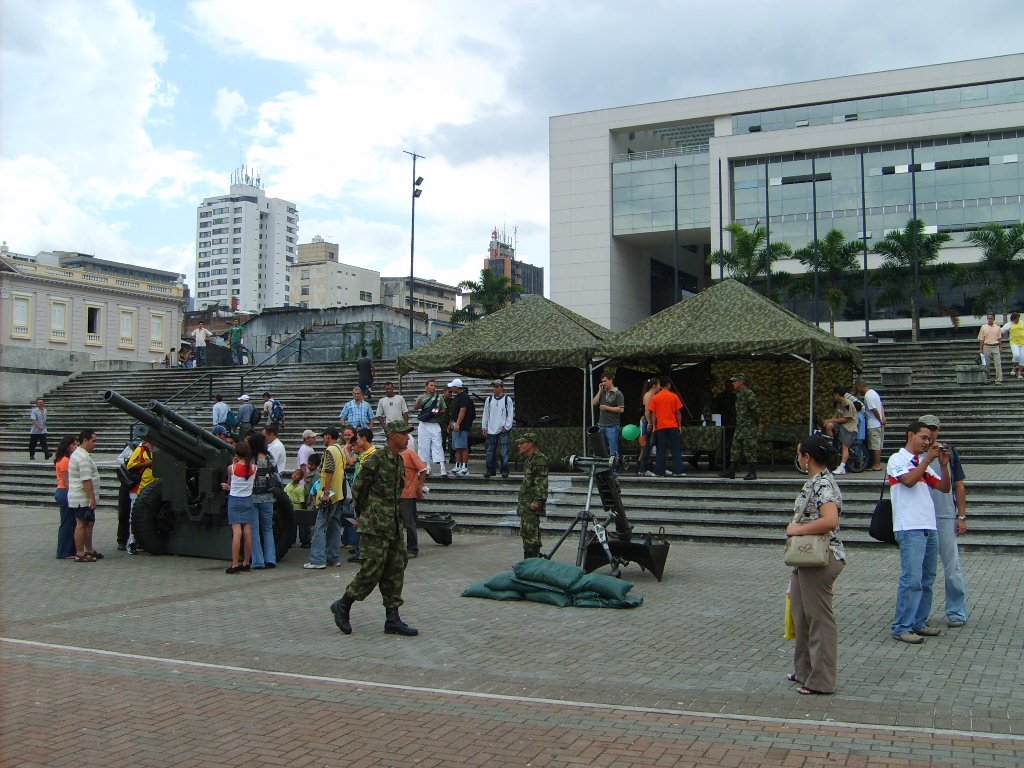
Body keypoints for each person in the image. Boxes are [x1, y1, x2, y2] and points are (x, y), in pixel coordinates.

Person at [329, 420, 419, 637]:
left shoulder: (398, 460)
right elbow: (359, 488)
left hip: (393, 525)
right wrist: (364, 515)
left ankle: (393, 619)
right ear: (392, 436)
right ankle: (343, 604)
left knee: (395, 569)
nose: (407, 438)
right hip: (375, 526)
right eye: (403, 434)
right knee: (371, 570)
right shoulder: (377, 459)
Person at [787, 435, 846, 695]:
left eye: (800, 453)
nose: (799, 458)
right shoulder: (816, 482)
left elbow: (830, 520)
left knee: (819, 619)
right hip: (807, 558)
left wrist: (798, 530)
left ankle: (821, 680)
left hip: (820, 557)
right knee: (801, 614)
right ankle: (804, 670)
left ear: (807, 458)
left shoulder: (822, 484)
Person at [886, 420, 951, 643]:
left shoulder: (923, 463)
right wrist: (927, 460)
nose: (927, 442)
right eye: (924, 437)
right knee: (911, 579)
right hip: (909, 527)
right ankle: (901, 627)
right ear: (910, 435)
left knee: (927, 579)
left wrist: (943, 464)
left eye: (930, 439)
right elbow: (909, 481)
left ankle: (918, 623)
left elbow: (944, 487)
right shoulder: (898, 459)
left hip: (928, 526)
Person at [917, 414, 969, 628]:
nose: (931, 434)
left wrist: (962, 516)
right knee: (921, 570)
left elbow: (959, 485)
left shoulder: (949, 452)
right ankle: (920, 614)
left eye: (934, 430)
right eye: (927, 430)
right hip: (921, 517)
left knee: (952, 567)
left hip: (945, 516)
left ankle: (956, 611)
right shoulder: (914, 454)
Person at [304, 427, 347, 570]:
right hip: (339, 493)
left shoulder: (330, 450)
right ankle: (333, 558)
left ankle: (317, 559)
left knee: (320, 526)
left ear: (328, 436)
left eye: (324, 436)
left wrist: (326, 493)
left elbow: (328, 471)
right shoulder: (340, 449)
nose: (323, 439)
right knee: (334, 526)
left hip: (330, 494)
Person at [221, 441, 255, 574]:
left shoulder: (232, 468)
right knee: (247, 531)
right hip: (248, 499)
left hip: (235, 500)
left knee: (237, 532)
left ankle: (234, 564)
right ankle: (246, 562)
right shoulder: (254, 468)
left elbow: (230, 483)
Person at [68, 429, 102, 562]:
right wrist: (92, 498)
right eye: (93, 441)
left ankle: (89, 550)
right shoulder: (82, 457)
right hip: (82, 498)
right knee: (82, 523)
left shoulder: (80, 454)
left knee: (88, 523)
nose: (95, 444)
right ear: (85, 441)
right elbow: (86, 480)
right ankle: (80, 553)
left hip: (82, 497)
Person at [719, 374, 760, 480]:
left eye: (735, 381)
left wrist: (757, 423)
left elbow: (755, 411)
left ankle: (752, 472)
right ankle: (731, 471)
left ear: (741, 381)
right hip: (740, 426)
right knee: (735, 449)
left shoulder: (749, 394)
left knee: (749, 449)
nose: (733, 383)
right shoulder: (738, 395)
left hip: (748, 427)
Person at [247, 433, 278, 570]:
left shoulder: (249, 460)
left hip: (252, 496)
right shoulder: (269, 458)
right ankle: (270, 559)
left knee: (254, 529)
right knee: (268, 528)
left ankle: (258, 561)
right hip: (268, 497)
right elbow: (277, 476)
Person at [515, 433, 548, 559]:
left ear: (530, 444)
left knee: (531, 532)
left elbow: (542, 481)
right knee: (526, 532)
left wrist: (538, 500)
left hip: (532, 503)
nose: (519, 446)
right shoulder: (529, 459)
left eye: (522, 443)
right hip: (526, 502)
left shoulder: (539, 459)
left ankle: (532, 559)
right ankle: (529, 558)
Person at [647, 376, 685, 478]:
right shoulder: (674, 396)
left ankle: (660, 471)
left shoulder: (655, 397)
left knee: (661, 450)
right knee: (675, 449)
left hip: (661, 427)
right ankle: (677, 471)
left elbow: (653, 414)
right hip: (673, 425)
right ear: (668, 384)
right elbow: (678, 412)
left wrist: (654, 426)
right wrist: (679, 426)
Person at [125, 437, 156, 555]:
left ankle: (144, 541)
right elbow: (131, 466)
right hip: (142, 488)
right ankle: (132, 541)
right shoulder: (141, 449)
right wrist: (148, 464)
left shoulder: (160, 449)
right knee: (135, 516)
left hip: (156, 488)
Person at [413, 379, 448, 478]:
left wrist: (438, 412)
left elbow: (444, 409)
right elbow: (415, 408)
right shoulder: (422, 397)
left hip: (434, 423)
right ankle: (426, 468)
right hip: (424, 424)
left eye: (434, 385)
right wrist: (419, 401)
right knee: (424, 446)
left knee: (438, 445)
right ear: (426, 387)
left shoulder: (439, 397)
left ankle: (442, 469)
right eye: (431, 385)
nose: (433, 387)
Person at [481, 379, 514, 479]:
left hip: (502, 429)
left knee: (504, 451)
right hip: (491, 429)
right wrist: (484, 426)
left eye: (497, 386)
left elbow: (510, 414)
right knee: (490, 451)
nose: (495, 388)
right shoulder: (489, 400)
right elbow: (485, 414)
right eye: (494, 386)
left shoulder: (507, 399)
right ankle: (490, 470)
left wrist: (507, 426)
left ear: (502, 387)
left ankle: (504, 470)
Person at [822, 387, 857, 474]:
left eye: (833, 395)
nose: (833, 397)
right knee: (829, 426)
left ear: (837, 394)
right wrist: (828, 421)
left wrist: (830, 420)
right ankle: (831, 444)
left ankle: (842, 467)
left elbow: (846, 419)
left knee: (845, 447)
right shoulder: (838, 404)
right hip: (841, 426)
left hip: (849, 427)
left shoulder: (847, 404)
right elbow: (835, 416)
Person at [53, 435, 78, 559]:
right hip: (64, 491)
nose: (76, 446)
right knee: (67, 523)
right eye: (74, 444)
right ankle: (64, 551)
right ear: (68, 446)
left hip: (63, 491)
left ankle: (70, 549)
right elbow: (67, 481)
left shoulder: (65, 459)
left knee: (70, 522)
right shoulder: (65, 461)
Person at [401, 440, 427, 556]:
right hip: (394, 493)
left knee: (409, 522)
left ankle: (412, 548)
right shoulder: (391, 454)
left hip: (408, 493)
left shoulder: (410, 453)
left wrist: (419, 487)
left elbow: (423, 470)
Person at [593, 372, 625, 461]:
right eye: (602, 382)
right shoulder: (602, 393)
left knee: (613, 451)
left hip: (612, 426)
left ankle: (614, 470)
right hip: (601, 425)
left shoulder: (618, 393)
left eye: (605, 381)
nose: (603, 383)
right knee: (601, 450)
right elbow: (594, 403)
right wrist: (599, 391)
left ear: (611, 380)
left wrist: (606, 407)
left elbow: (621, 409)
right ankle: (603, 470)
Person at [855, 378, 887, 471]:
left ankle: (877, 465)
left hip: (874, 424)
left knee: (875, 445)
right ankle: (877, 463)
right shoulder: (874, 392)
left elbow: (874, 410)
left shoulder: (868, 396)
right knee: (878, 445)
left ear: (860, 386)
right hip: (878, 423)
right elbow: (880, 406)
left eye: (857, 388)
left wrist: (880, 419)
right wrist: (883, 417)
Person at [446, 378, 473, 476]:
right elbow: (453, 413)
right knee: (457, 447)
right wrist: (450, 424)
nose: (451, 389)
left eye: (452, 387)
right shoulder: (457, 397)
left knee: (463, 447)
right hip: (455, 426)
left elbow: (463, 410)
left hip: (462, 427)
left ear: (457, 387)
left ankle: (464, 467)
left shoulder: (464, 397)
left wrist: (458, 423)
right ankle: (458, 465)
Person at [636, 378, 660, 475]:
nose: (659, 387)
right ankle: (642, 467)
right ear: (654, 386)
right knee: (646, 444)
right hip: (647, 422)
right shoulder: (649, 395)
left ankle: (643, 466)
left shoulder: (651, 395)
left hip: (647, 421)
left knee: (647, 445)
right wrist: (650, 423)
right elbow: (647, 411)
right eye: (658, 385)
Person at [977, 312, 1003, 385]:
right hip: (987, 346)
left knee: (998, 364)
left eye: (991, 318)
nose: (990, 320)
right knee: (986, 364)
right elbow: (981, 339)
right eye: (988, 318)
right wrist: (980, 349)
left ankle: (998, 380)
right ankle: (987, 379)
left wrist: (1001, 347)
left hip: (996, 346)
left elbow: (1000, 338)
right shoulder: (983, 327)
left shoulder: (997, 327)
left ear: (994, 319)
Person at [1002, 312, 1023, 379]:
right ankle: (1014, 367)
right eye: (1016, 319)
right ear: (1013, 319)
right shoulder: (1009, 324)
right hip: (1014, 343)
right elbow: (1001, 330)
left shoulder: (1022, 322)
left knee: (1022, 358)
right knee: (1016, 355)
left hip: (1023, 343)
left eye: (1018, 318)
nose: (1017, 320)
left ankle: (1019, 373)